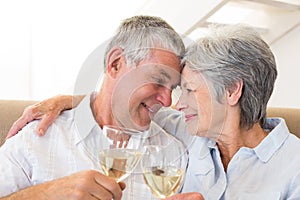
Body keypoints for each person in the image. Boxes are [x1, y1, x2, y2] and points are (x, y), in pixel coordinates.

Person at [8, 24, 300, 199]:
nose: (173, 102)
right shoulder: (185, 132)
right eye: (172, 87)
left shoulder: (293, 167)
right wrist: (69, 100)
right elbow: (117, 101)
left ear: (232, 91)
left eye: (185, 89)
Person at [0, 15, 204, 200]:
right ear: (115, 64)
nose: (167, 101)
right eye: (158, 79)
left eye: (173, 88)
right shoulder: (39, 136)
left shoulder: (172, 153)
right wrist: (45, 194)